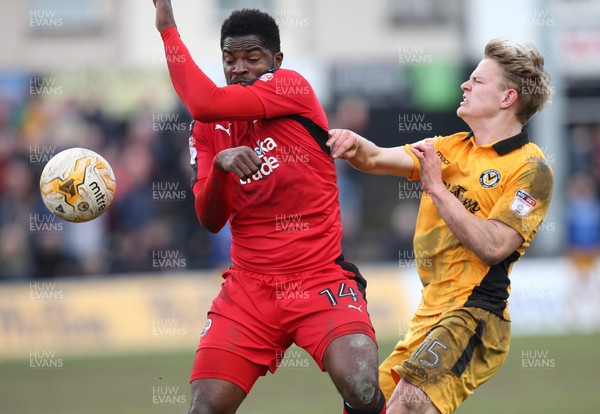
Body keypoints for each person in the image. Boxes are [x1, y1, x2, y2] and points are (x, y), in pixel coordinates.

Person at [152, 1, 387, 413]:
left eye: (251, 57)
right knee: (204, 409)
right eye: (229, 59)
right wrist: (221, 169)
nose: (238, 68)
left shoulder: (291, 88)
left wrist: (168, 28)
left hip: (319, 280)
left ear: (277, 60)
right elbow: (209, 221)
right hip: (249, 291)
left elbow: (203, 100)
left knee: (362, 386)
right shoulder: (209, 129)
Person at [328, 39, 554, 413]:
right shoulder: (449, 147)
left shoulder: (532, 169)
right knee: (365, 405)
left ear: (507, 97)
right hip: (429, 315)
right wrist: (352, 142)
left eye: (477, 81)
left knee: (411, 402)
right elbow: (373, 157)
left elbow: (495, 245)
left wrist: (435, 186)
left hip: (476, 313)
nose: (465, 86)